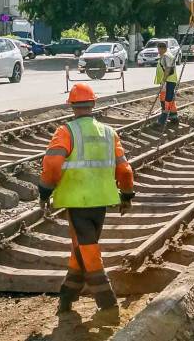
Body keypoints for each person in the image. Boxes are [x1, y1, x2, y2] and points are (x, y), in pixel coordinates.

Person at [38, 83, 135, 319]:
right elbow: (125, 170)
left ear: (72, 106)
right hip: (101, 200)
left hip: (76, 201)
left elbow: (51, 164)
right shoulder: (109, 133)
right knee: (82, 249)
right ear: (93, 104)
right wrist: (126, 195)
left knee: (88, 250)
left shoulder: (66, 132)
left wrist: (44, 192)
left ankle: (107, 302)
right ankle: (66, 299)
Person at [154, 47, 180, 126]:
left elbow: (168, 69)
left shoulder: (166, 56)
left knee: (167, 99)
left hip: (168, 81)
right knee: (168, 98)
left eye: (159, 49)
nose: (158, 51)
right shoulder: (167, 55)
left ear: (161, 49)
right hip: (168, 81)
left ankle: (163, 118)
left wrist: (164, 79)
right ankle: (174, 117)